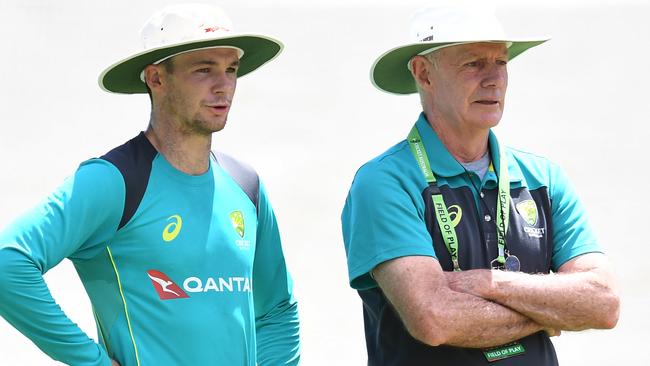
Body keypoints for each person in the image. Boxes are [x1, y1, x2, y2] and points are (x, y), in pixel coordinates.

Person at [0, 4, 300, 366]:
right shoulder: (115, 181)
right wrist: (88, 361)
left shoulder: (246, 185)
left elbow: (276, 310)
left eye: (231, 69)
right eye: (204, 69)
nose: (224, 85)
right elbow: (8, 263)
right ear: (156, 78)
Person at [341, 4, 619, 365]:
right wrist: (550, 310)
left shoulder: (543, 177)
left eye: (501, 62)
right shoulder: (383, 182)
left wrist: (491, 283)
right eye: (473, 63)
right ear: (423, 73)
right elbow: (435, 320)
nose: (494, 79)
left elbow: (604, 304)